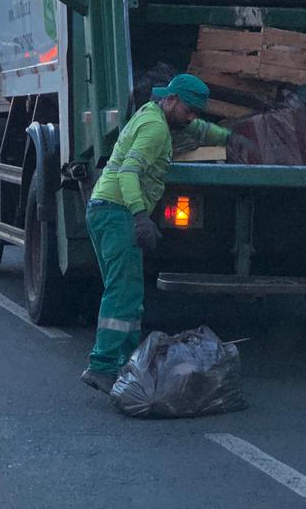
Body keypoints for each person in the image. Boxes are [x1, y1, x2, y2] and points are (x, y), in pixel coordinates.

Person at [79, 73, 236, 394]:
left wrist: (230, 137)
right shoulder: (154, 130)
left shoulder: (158, 114)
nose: (192, 117)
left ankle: (127, 363)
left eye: (197, 112)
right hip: (117, 210)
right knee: (123, 292)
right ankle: (101, 366)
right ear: (172, 101)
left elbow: (197, 129)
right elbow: (128, 172)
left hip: (109, 209)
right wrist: (139, 216)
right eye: (189, 110)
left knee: (130, 293)